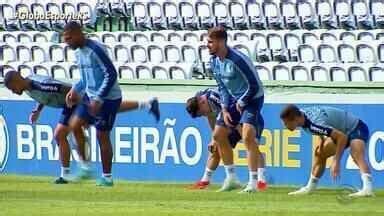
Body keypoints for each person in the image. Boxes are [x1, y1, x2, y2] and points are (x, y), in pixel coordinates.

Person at [3, 71, 160, 184]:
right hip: (71, 104)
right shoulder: (29, 86)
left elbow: (63, 88)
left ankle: (80, 168)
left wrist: (81, 106)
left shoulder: (40, 84)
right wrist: (37, 110)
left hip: (76, 101)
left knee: (64, 132)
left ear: (17, 81)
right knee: (106, 110)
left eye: (11, 88)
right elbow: (42, 96)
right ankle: (146, 104)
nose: (13, 91)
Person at [207, 26, 266, 193]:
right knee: (218, 135)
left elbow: (255, 86)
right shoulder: (213, 61)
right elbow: (222, 87)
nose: (208, 45)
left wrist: (242, 102)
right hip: (233, 100)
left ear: (221, 42)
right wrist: (225, 108)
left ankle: (254, 183)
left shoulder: (238, 60)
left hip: (252, 99)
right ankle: (231, 178)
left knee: (247, 136)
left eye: (210, 42)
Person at [280, 104, 374, 197]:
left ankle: (367, 189)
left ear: (295, 119)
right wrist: (321, 141)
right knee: (320, 153)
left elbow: (342, 137)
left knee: (356, 155)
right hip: (341, 130)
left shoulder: (314, 123)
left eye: (286, 123)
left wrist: (336, 161)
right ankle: (310, 187)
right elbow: (321, 127)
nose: (285, 126)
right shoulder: (301, 116)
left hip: (356, 128)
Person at [186, 88, 242, 190]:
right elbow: (210, 117)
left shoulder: (215, 98)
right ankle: (205, 181)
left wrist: (240, 130)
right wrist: (214, 139)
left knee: (251, 144)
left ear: (202, 102)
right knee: (215, 147)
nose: (203, 115)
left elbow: (232, 110)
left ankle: (258, 179)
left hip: (238, 118)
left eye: (202, 113)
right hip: (227, 122)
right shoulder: (201, 99)